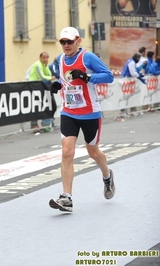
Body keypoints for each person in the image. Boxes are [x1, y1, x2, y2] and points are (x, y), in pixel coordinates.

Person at [48, 27, 115, 213]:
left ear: (77, 40)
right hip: (68, 112)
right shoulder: (60, 60)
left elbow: (109, 76)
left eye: (69, 41)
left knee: (93, 152)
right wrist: (58, 84)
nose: (66, 45)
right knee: (67, 152)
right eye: (63, 42)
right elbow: (67, 80)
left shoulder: (87, 57)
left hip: (90, 113)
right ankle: (66, 197)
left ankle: (107, 176)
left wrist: (87, 76)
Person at [28, 52, 55, 133]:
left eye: (47, 57)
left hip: (42, 87)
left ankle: (46, 123)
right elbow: (42, 77)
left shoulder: (43, 65)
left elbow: (48, 74)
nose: (45, 59)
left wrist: (46, 66)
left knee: (48, 104)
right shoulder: (37, 65)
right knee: (36, 105)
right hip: (34, 87)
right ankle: (34, 125)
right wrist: (51, 78)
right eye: (44, 57)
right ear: (40, 58)